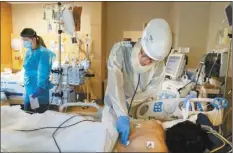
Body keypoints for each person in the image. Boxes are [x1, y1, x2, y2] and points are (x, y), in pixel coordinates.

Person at [104, 18, 172, 145]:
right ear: (142, 47)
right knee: (109, 142)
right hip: (114, 107)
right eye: (147, 57)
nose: (148, 63)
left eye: (153, 60)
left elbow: (150, 93)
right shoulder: (120, 51)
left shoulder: (159, 66)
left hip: (138, 110)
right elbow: (115, 85)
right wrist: (122, 113)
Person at [20, 28, 56, 113]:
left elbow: (43, 72)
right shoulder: (29, 52)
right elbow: (28, 69)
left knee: (39, 118)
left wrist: (40, 87)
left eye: (26, 40)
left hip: (39, 89)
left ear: (33, 38)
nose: (24, 42)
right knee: (29, 114)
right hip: (30, 88)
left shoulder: (43, 53)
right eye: (23, 40)